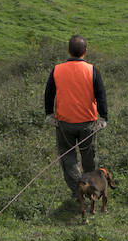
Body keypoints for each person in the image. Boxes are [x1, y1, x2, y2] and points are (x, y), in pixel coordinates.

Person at [44, 34, 108, 198]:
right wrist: (104, 117)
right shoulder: (92, 70)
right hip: (88, 123)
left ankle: (78, 190)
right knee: (89, 158)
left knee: (67, 157)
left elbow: (49, 93)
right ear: (85, 51)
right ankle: (92, 189)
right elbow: (101, 95)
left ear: (68, 51)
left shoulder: (57, 69)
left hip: (64, 124)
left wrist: (49, 114)